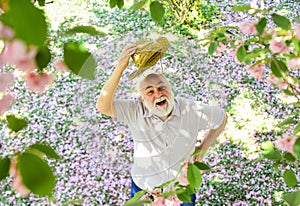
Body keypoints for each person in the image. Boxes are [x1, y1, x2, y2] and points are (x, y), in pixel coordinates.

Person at [96, 44, 228, 205]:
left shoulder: (191, 110)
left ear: (171, 90)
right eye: (150, 91)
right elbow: (102, 106)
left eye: (162, 88)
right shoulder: (135, 110)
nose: (158, 94)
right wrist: (120, 68)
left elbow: (222, 119)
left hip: (181, 189)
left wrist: (203, 148)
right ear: (141, 99)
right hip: (145, 188)